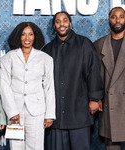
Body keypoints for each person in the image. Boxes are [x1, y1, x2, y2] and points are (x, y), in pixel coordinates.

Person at [42, 11, 103, 150]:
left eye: (64, 20)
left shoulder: (84, 44)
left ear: (70, 23)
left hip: (79, 113)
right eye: (58, 21)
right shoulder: (48, 50)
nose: (61, 24)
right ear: (54, 26)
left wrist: (94, 98)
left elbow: (93, 71)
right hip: (57, 115)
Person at [0, 22, 55, 150]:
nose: (27, 38)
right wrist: (12, 111)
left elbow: (49, 87)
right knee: (16, 146)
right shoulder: (8, 58)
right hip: (15, 110)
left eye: (30, 34)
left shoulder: (45, 58)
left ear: (35, 37)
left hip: (37, 110)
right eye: (23, 34)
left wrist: (49, 115)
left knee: (35, 146)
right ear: (18, 37)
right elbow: (4, 86)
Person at [94, 7, 125, 150]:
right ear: (108, 20)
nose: (117, 21)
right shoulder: (99, 45)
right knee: (112, 145)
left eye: (121, 17)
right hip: (110, 103)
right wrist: (96, 97)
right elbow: (95, 76)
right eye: (114, 17)